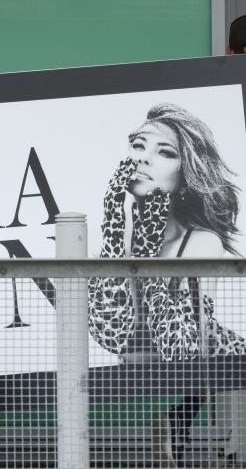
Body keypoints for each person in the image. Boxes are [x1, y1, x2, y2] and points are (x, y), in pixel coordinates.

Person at [88, 103, 246, 467]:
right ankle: (183, 427)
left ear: (185, 174)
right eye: (138, 145)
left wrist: (151, 231)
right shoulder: (114, 235)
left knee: (235, 349)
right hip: (132, 355)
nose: (143, 159)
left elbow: (183, 344)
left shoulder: (203, 242)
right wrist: (116, 212)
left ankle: (196, 432)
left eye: (165, 152)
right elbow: (110, 328)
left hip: (182, 352)